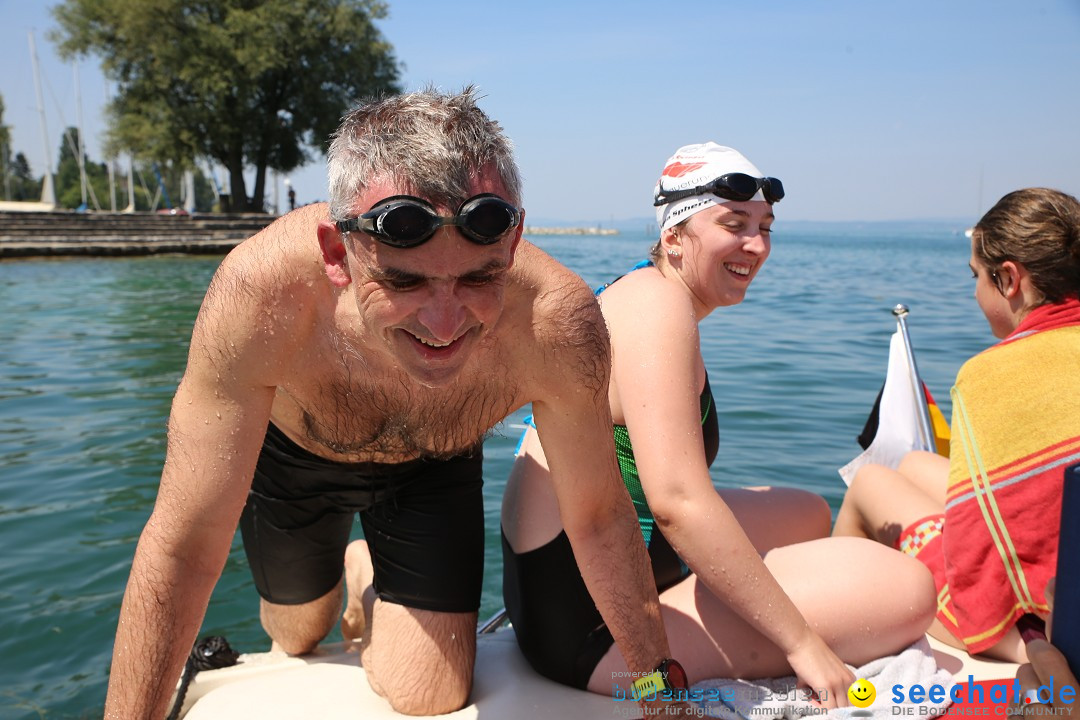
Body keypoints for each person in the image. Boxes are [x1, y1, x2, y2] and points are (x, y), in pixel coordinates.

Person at [103, 88, 687, 718]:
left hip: (432, 466)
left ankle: (378, 587)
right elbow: (185, 545)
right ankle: (358, 572)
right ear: (338, 253)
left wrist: (662, 697)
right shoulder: (261, 296)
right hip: (297, 459)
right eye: (403, 281)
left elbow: (599, 518)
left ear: (512, 244)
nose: (443, 322)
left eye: (478, 278)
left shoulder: (556, 323)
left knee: (430, 695)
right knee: (299, 633)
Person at [502, 143, 937, 707]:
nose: (756, 246)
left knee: (808, 509)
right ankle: (813, 605)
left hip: (581, 572)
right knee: (910, 590)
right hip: (593, 628)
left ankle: (808, 589)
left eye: (765, 226)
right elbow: (677, 501)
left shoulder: (641, 289)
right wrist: (803, 643)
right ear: (674, 236)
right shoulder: (657, 311)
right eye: (734, 225)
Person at [834, 188, 1080, 663]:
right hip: (1066, 576)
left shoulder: (990, 376)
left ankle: (840, 629)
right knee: (915, 462)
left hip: (1038, 625)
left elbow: (979, 559)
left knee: (870, 481)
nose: (973, 292)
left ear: (1010, 279)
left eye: (976, 276)